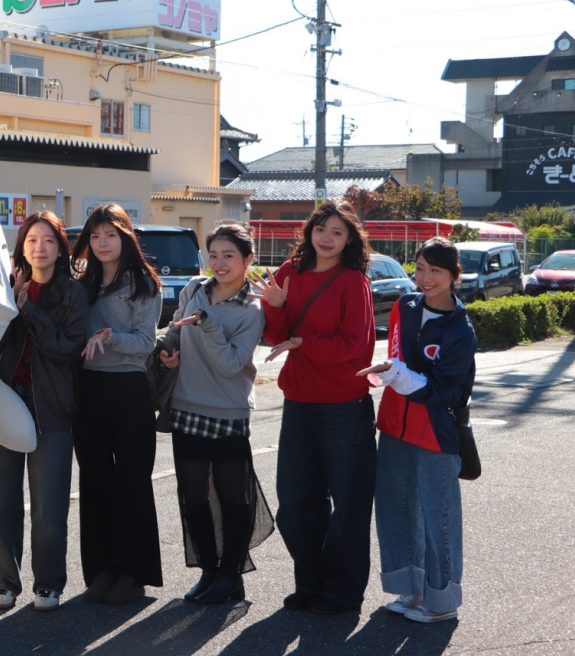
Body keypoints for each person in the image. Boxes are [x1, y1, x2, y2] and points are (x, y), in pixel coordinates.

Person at [254, 201, 377, 615]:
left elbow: (356, 348)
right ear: (309, 231)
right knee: (295, 499)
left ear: (349, 241)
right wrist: (274, 304)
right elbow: (275, 336)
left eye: (337, 232)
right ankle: (310, 581)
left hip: (344, 404)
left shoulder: (352, 281)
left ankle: (342, 592)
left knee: (349, 501)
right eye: (321, 228)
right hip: (300, 403)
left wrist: (305, 344)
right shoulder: (291, 272)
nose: (326, 237)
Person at [359, 237, 476, 623]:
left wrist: (399, 374)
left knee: (437, 515)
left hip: (436, 431)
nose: (424, 278)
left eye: (435, 271)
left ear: (454, 276)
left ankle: (442, 602)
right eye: (421, 268)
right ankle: (411, 588)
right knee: (394, 505)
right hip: (395, 422)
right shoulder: (406, 306)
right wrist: (390, 370)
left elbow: (445, 390)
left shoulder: (461, 330)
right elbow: (396, 357)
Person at [157, 224, 273, 605]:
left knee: (232, 498)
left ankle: (231, 575)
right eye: (214, 255)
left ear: (248, 261)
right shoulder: (194, 289)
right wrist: (168, 350)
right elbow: (175, 331)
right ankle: (208, 570)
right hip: (187, 404)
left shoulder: (252, 308)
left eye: (229, 256)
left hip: (228, 410)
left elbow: (232, 364)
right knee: (193, 495)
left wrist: (206, 324)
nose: (219, 264)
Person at [0, 211, 88, 613]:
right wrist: (9, 303)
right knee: (0, 499)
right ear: (21, 248)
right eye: (31, 241)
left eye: (47, 240)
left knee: (49, 504)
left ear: (60, 247)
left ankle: (47, 584)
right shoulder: (6, 286)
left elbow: (66, 348)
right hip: (6, 400)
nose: (39, 248)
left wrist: (28, 310)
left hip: (52, 407)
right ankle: (5, 583)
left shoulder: (72, 293)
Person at [71, 203, 163, 605]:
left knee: (131, 481)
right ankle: (101, 570)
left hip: (129, 390)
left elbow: (145, 344)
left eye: (110, 234)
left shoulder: (145, 285)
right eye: (95, 236)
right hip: (88, 390)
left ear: (126, 236)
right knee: (93, 481)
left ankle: (132, 573)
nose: (102, 243)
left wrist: (108, 337)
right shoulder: (81, 282)